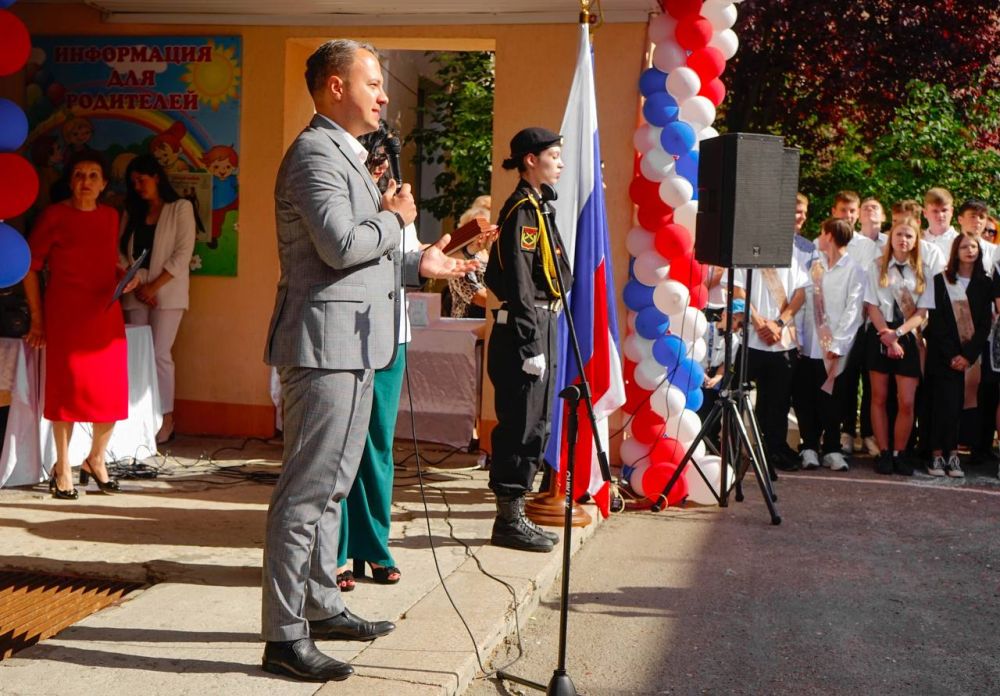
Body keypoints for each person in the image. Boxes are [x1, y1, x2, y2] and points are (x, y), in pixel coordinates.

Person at [260, 39, 475, 682]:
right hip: (324, 347)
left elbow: (369, 251)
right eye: (374, 83)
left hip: (357, 344)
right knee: (304, 493)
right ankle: (283, 634)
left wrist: (420, 261)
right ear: (333, 87)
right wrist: (394, 217)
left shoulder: (347, 156)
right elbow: (338, 245)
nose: (384, 96)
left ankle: (322, 603)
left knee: (333, 488)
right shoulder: (313, 154)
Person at [334, 120, 423, 592]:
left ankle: (375, 546)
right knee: (344, 445)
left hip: (393, 334)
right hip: (349, 334)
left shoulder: (400, 205)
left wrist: (444, 260)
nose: (383, 169)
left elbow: (407, 262)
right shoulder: (342, 197)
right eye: (375, 158)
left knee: (379, 447)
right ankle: (338, 551)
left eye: (388, 161)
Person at [22, 150, 137, 499]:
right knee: (67, 392)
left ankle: (96, 459)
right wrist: (38, 320)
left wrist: (125, 277)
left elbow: (105, 261)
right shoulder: (54, 216)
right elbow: (30, 267)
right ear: (69, 181)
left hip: (104, 314)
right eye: (78, 175)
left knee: (111, 392)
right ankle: (63, 468)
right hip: (66, 315)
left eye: (92, 176)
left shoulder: (110, 217)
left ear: (103, 185)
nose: (84, 182)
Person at [484, 126, 572, 553]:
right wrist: (528, 343)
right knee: (520, 422)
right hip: (527, 325)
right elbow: (518, 282)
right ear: (530, 160)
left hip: (543, 321)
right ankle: (508, 519)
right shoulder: (522, 210)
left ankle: (516, 512)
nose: (560, 162)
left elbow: (560, 274)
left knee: (538, 423)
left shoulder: (540, 209)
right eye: (553, 155)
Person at [119, 154, 197, 445]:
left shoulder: (180, 208)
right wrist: (136, 282)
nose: (138, 186)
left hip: (168, 292)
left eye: (142, 179)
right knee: (136, 355)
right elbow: (118, 251)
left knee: (159, 355)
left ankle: (165, 418)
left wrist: (152, 287)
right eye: (133, 182)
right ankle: (137, 418)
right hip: (135, 290)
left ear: (157, 177)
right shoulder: (132, 212)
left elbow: (181, 256)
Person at [795, 218, 866, 471]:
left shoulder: (855, 270)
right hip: (809, 344)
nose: (819, 238)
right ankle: (810, 447)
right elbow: (803, 303)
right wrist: (799, 338)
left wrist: (837, 343)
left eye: (822, 233)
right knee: (806, 396)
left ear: (831, 236)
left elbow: (853, 310)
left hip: (835, 348)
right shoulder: (813, 266)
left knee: (833, 398)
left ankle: (833, 448)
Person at [864, 223, 934, 476]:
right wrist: (888, 337)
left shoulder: (923, 271)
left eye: (909, 235)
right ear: (890, 238)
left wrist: (898, 335)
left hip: (907, 335)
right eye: (899, 234)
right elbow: (871, 306)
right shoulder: (876, 267)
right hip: (880, 334)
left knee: (906, 401)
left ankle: (899, 453)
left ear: (916, 240)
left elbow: (922, 312)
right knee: (879, 398)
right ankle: (884, 453)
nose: (903, 239)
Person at [733, 255, 808, 474]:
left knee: (778, 400)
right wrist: (758, 324)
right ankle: (735, 447)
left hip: (782, 341)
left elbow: (800, 294)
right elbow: (738, 291)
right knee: (737, 397)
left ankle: (774, 448)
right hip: (751, 340)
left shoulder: (794, 254)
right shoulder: (747, 250)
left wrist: (778, 323)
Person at [925, 234, 991, 477]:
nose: (969, 250)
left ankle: (953, 455)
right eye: (964, 246)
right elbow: (937, 321)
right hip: (943, 355)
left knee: (956, 407)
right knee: (940, 404)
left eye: (974, 246)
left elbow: (985, 324)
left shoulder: (985, 283)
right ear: (955, 251)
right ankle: (935, 455)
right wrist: (952, 354)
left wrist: (967, 356)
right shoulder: (941, 281)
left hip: (969, 357)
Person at [831, 190, 879, 456]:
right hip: (835, 325)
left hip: (864, 324)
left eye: (852, 211)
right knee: (844, 380)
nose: (847, 216)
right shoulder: (824, 242)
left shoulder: (867, 246)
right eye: (843, 210)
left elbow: (868, 285)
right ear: (834, 211)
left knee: (868, 379)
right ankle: (846, 431)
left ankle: (869, 433)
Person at [448, 196, 493, 319]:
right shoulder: (459, 259)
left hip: (490, 323)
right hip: (467, 328)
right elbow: (477, 296)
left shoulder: (492, 254)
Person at [922, 187, 958, 262]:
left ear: (951, 211)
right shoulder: (918, 240)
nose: (940, 215)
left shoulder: (959, 241)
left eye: (944, 210)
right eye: (935, 211)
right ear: (925, 213)